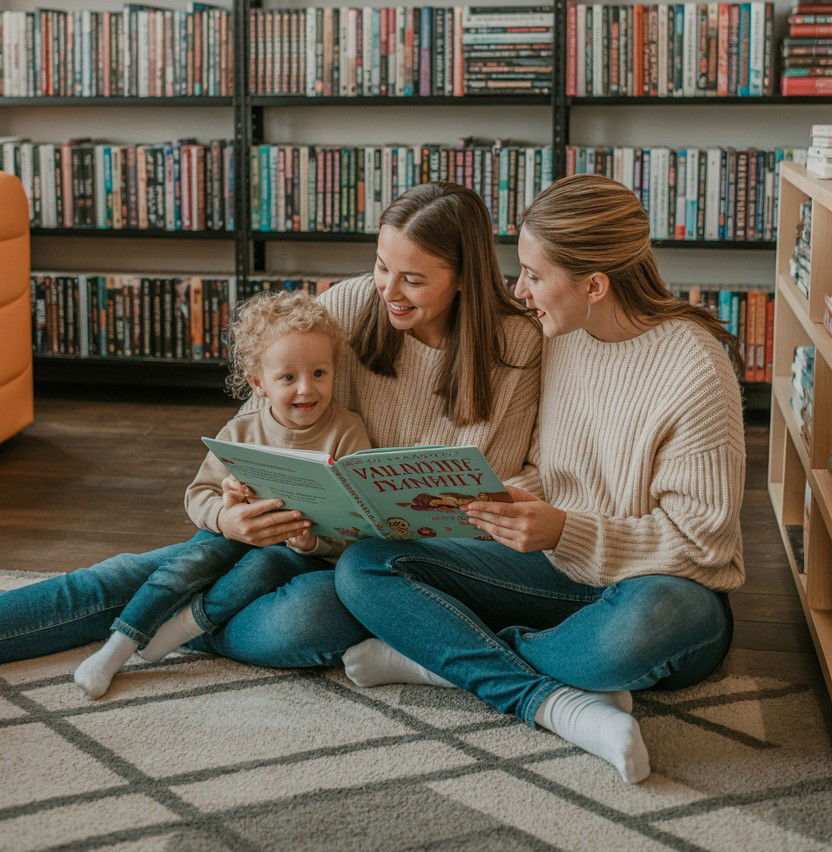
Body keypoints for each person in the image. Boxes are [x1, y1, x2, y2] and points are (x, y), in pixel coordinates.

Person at [0, 182, 541, 670]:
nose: (388, 289)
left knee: (301, 624)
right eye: (381, 266)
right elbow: (257, 420)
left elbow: (500, 477)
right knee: (130, 576)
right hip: (288, 528)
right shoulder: (352, 305)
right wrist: (232, 515)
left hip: (388, 568)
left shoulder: (513, 346)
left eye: (413, 279)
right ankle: (162, 619)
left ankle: (171, 624)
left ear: (464, 276)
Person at [334, 175, 745, 785]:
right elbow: (552, 471)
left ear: (595, 285)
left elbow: (703, 544)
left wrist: (565, 530)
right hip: (554, 572)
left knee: (645, 627)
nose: (518, 290)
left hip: (659, 586)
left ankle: (443, 657)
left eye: (533, 274)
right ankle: (552, 696)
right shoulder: (563, 335)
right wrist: (522, 502)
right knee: (366, 566)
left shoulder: (694, 368)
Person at [72, 290, 369, 698]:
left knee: (265, 567)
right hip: (234, 534)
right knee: (195, 557)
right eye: (287, 377)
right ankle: (118, 646)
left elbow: (361, 517)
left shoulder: (348, 431)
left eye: (319, 373)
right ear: (257, 382)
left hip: (299, 555)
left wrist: (313, 541)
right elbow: (199, 494)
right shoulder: (242, 432)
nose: (306, 389)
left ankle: (183, 627)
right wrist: (224, 516)